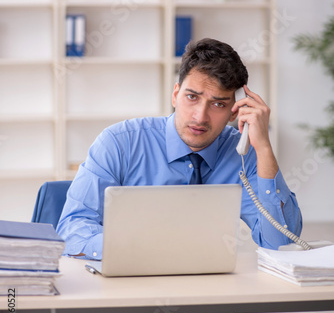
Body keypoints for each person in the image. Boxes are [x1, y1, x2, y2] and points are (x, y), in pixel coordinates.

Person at [57, 38, 302, 258]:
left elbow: (281, 243)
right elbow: (72, 228)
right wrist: (132, 248)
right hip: (127, 290)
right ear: (175, 95)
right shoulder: (120, 143)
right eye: (192, 97)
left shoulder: (243, 154)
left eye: (218, 104)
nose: (200, 116)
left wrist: (264, 149)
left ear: (234, 111)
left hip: (203, 295)